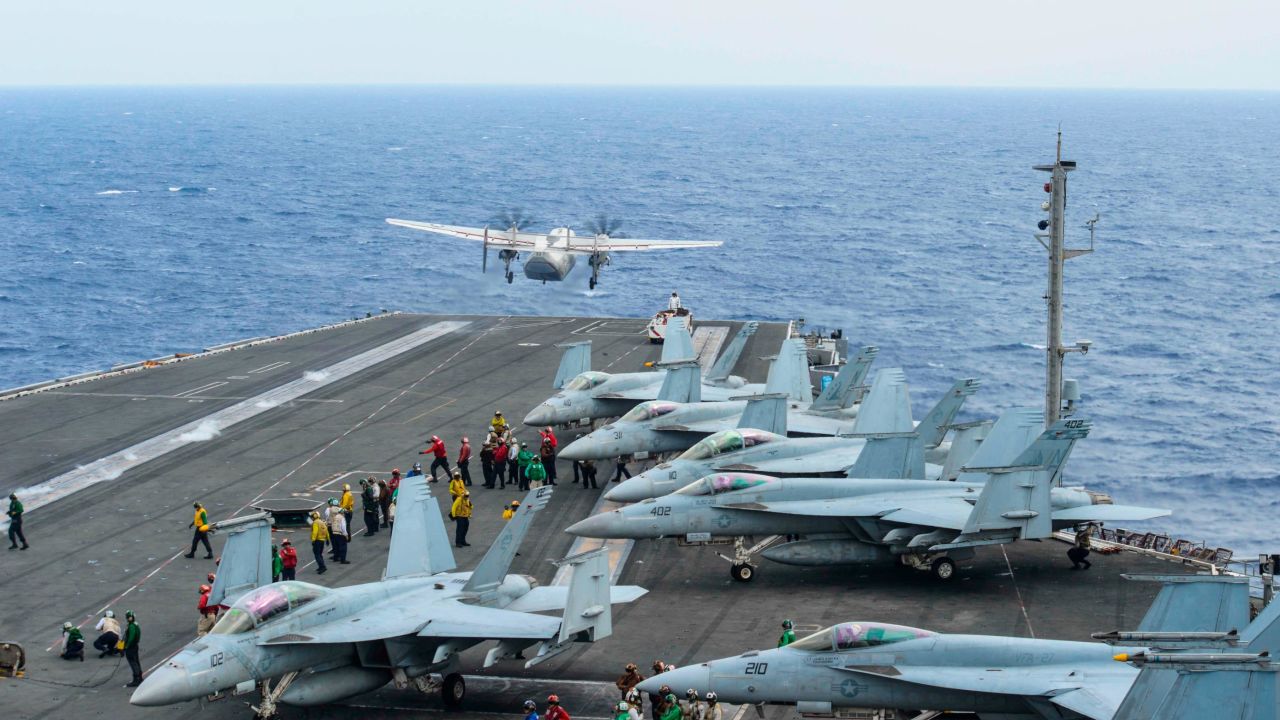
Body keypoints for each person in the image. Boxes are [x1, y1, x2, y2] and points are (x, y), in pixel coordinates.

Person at [123, 610, 143, 686]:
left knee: (132, 662)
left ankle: (136, 679)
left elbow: (129, 637)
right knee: (136, 661)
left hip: (131, 647)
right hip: (135, 646)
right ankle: (140, 677)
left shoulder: (131, 626)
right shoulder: (135, 624)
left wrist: (126, 646)